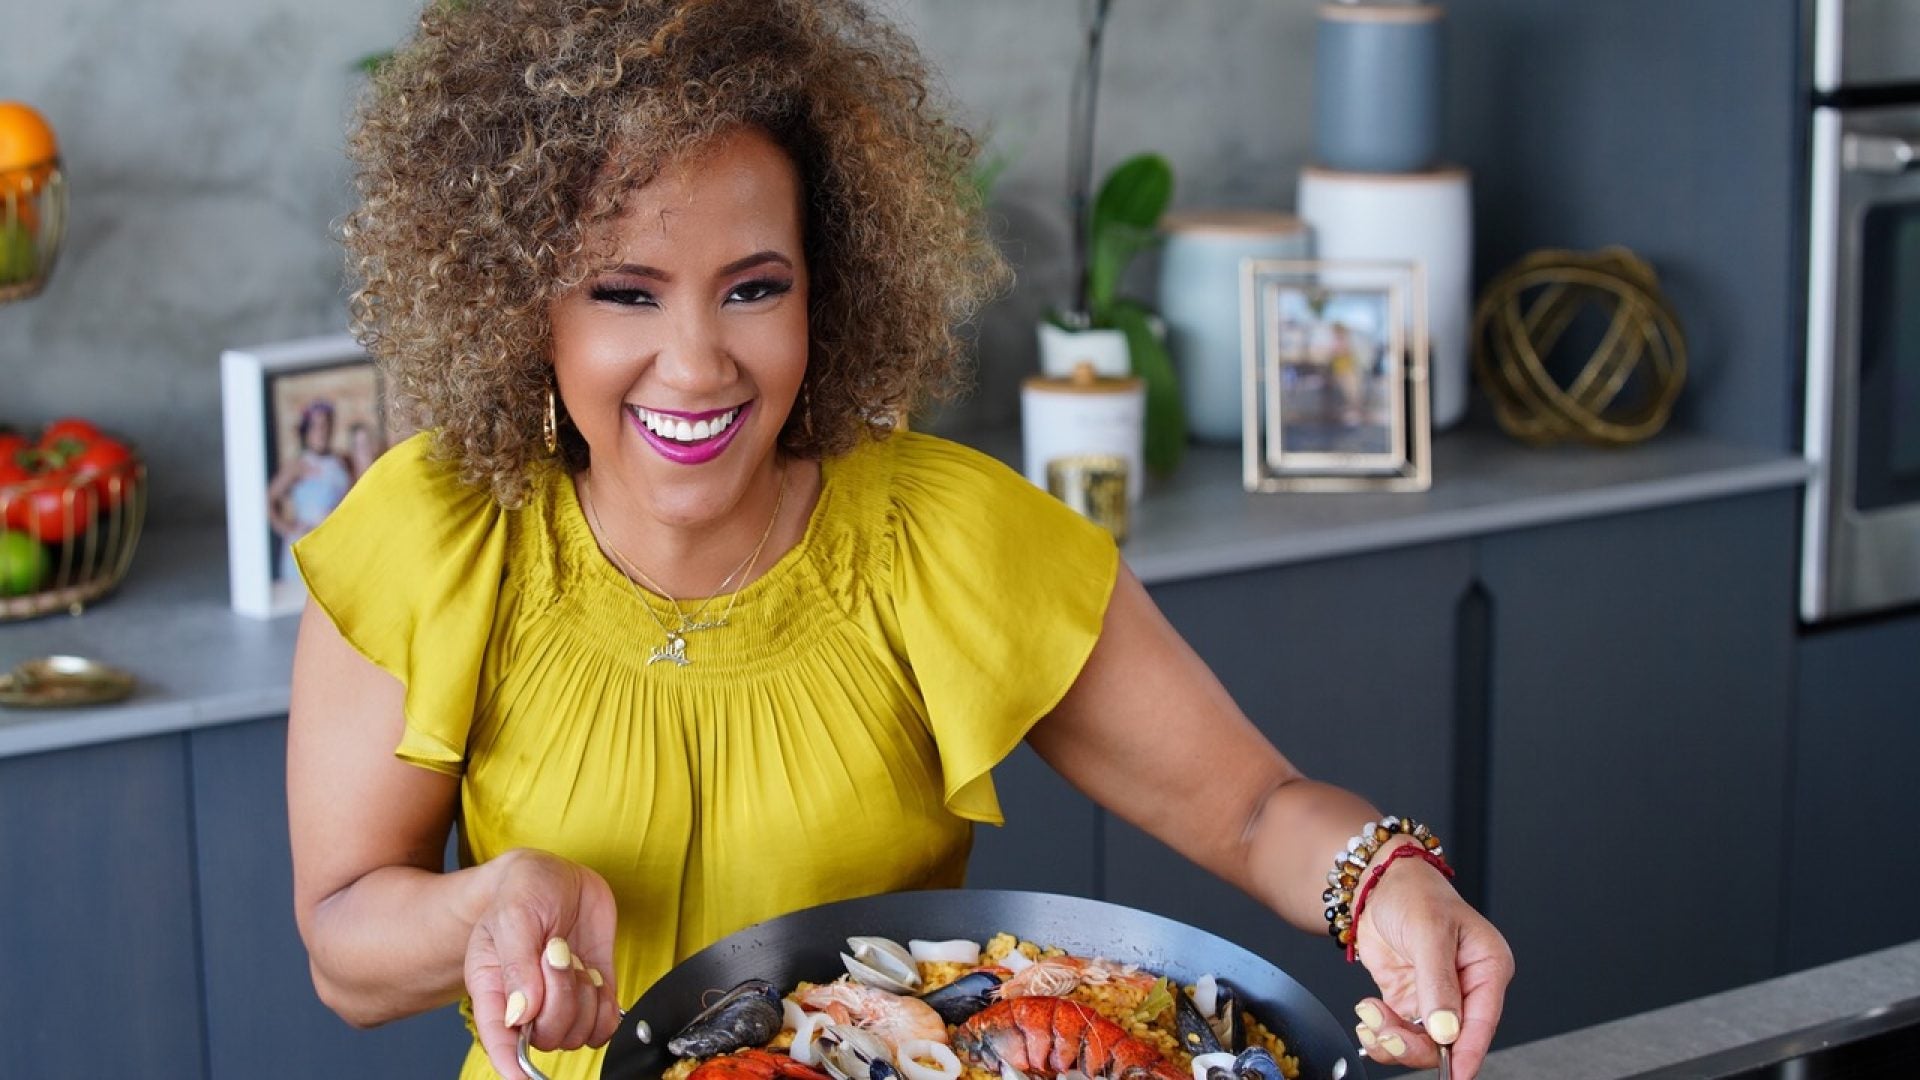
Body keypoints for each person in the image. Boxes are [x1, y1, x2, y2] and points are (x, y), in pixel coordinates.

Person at [287, 3, 1513, 1079]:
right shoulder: (436, 537)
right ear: (523, 304)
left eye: (755, 287)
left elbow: (1253, 810)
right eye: (625, 292)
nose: (697, 365)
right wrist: (494, 905)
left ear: (828, 287)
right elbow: (343, 950)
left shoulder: (947, 539)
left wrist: (1387, 883)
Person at [268, 399, 353, 581]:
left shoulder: (340, 462)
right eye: (316, 426)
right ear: (306, 430)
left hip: (335, 542)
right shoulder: (299, 464)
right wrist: (287, 528)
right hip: (308, 542)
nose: (322, 431)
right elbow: (269, 499)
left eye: (326, 425)